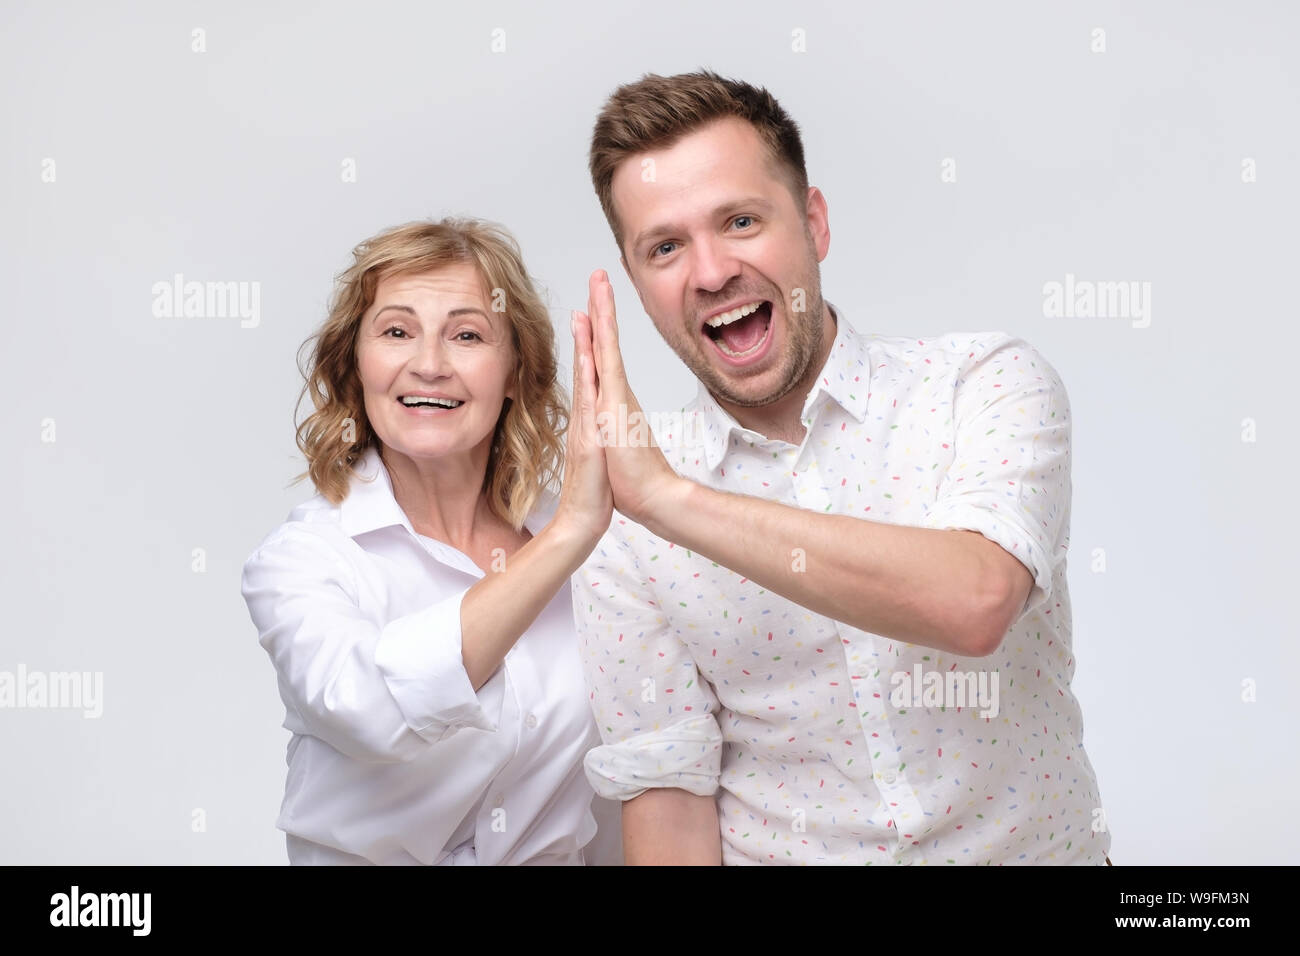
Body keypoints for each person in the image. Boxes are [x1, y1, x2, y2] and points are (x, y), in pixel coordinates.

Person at [570, 71, 1112, 865]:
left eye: (742, 220)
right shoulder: (621, 519)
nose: (712, 271)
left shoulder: (981, 383)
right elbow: (669, 792)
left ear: (815, 222)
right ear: (636, 281)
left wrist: (670, 501)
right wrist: (646, 503)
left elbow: (976, 600)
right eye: (665, 247)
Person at [241, 218, 616, 865]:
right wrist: (568, 537)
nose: (431, 365)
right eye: (396, 332)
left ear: (514, 371)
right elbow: (376, 712)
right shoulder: (302, 561)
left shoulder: (602, 562)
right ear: (355, 366)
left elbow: (628, 785)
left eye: (467, 335)